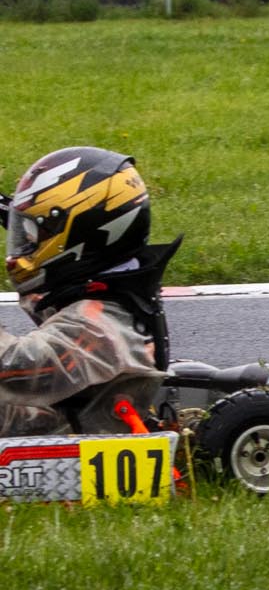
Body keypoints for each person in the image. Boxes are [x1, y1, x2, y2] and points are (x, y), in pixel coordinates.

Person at [2, 147, 175, 436]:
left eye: (33, 235)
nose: (25, 246)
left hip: (61, 427)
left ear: (79, 232)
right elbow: (42, 300)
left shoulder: (99, 326)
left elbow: (14, 368)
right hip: (71, 404)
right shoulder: (109, 291)